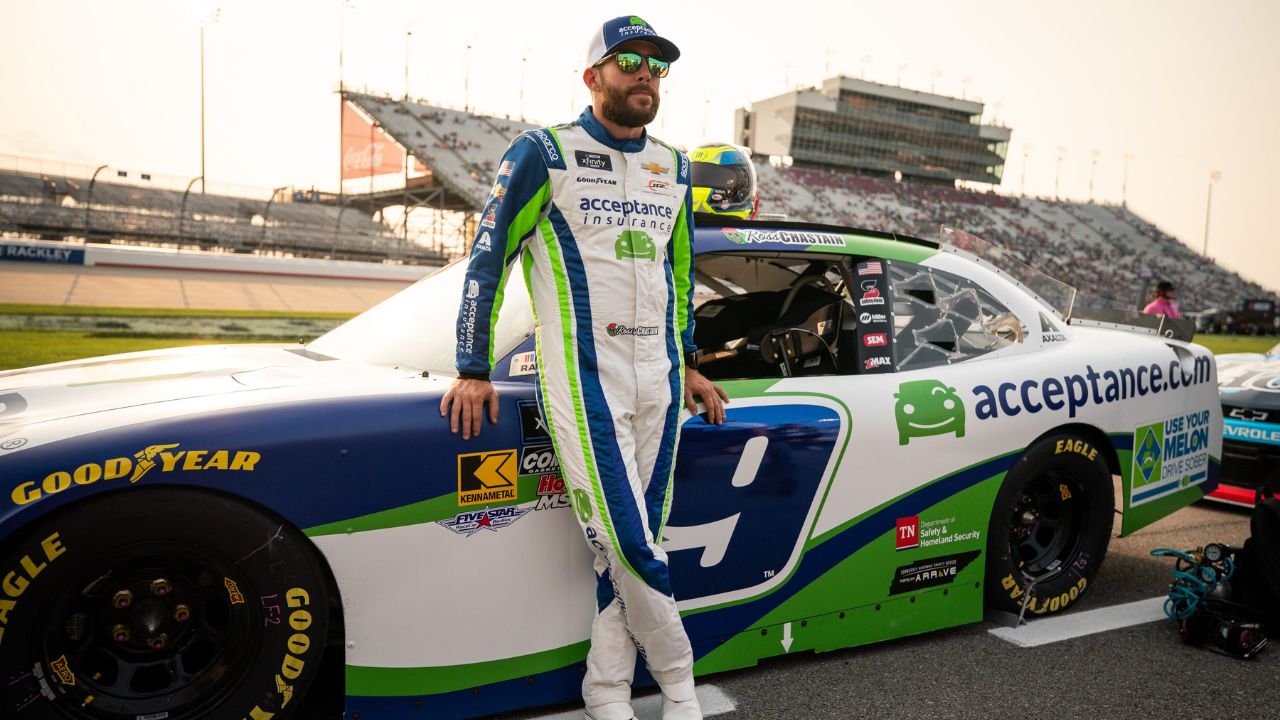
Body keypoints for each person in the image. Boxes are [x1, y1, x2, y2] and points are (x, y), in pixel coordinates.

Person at [439, 15, 727, 720]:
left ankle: (604, 692)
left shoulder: (674, 167)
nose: (645, 75)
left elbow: (680, 277)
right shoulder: (545, 153)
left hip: (658, 379)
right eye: (628, 61)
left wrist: (687, 363)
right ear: (592, 75)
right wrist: (472, 365)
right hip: (584, 378)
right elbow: (489, 257)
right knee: (627, 538)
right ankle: (679, 682)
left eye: (657, 66)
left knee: (632, 546)